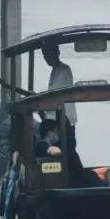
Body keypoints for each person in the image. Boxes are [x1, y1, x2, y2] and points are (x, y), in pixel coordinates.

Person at [41, 41, 84, 181]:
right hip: (56, 122)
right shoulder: (55, 71)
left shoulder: (64, 70)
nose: (46, 58)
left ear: (57, 53)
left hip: (64, 122)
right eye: (44, 55)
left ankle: (76, 178)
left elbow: (53, 96)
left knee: (69, 153)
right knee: (61, 155)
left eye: (48, 54)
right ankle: (66, 178)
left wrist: (38, 100)